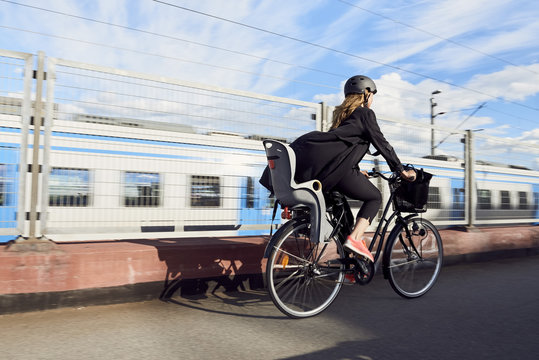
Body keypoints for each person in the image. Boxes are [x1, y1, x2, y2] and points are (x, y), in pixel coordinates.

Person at [261, 75, 415, 262]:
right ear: (366, 94)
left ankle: (350, 263)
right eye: (372, 94)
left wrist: (357, 170)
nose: (372, 98)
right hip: (339, 174)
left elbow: (342, 149)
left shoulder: (343, 117)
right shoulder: (365, 114)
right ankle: (356, 239)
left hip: (329, 174)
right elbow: (381, 143)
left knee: (343, 213)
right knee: (375, 197)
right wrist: (401, 170)